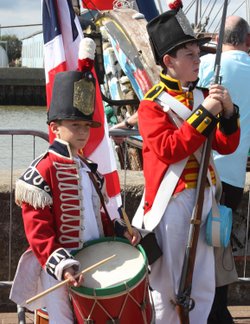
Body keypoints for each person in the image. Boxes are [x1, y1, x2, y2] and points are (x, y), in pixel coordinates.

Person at [132, 3, 240, 324]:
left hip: (204, 199)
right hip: (172, 203)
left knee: (203, 287)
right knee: (167, 290)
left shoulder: (201, 95)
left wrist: (229, 113)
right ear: (169, 61)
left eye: (198, 53)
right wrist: (206, 112)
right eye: (190, 55)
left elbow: (226, 145)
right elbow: (170, 150)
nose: (198, 60)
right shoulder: (152, 105)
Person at [9, 68, 140, 323]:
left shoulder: (88, 168)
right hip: (60, 269)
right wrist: (63, 265)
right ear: (55, 128)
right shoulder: (41, 171)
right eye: (75, 125)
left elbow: (95, 216)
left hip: (93, 261)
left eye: (86, 125)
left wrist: (120, 228)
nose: (83, 131)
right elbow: (38, 231)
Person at [198, 16, 250, 324]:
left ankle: (206, 310)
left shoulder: (207, 65)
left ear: (218, 40)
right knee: (220, 246)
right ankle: (217, 308)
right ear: (247, 39)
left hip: (203, 170)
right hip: (231, 175)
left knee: (194, 247)